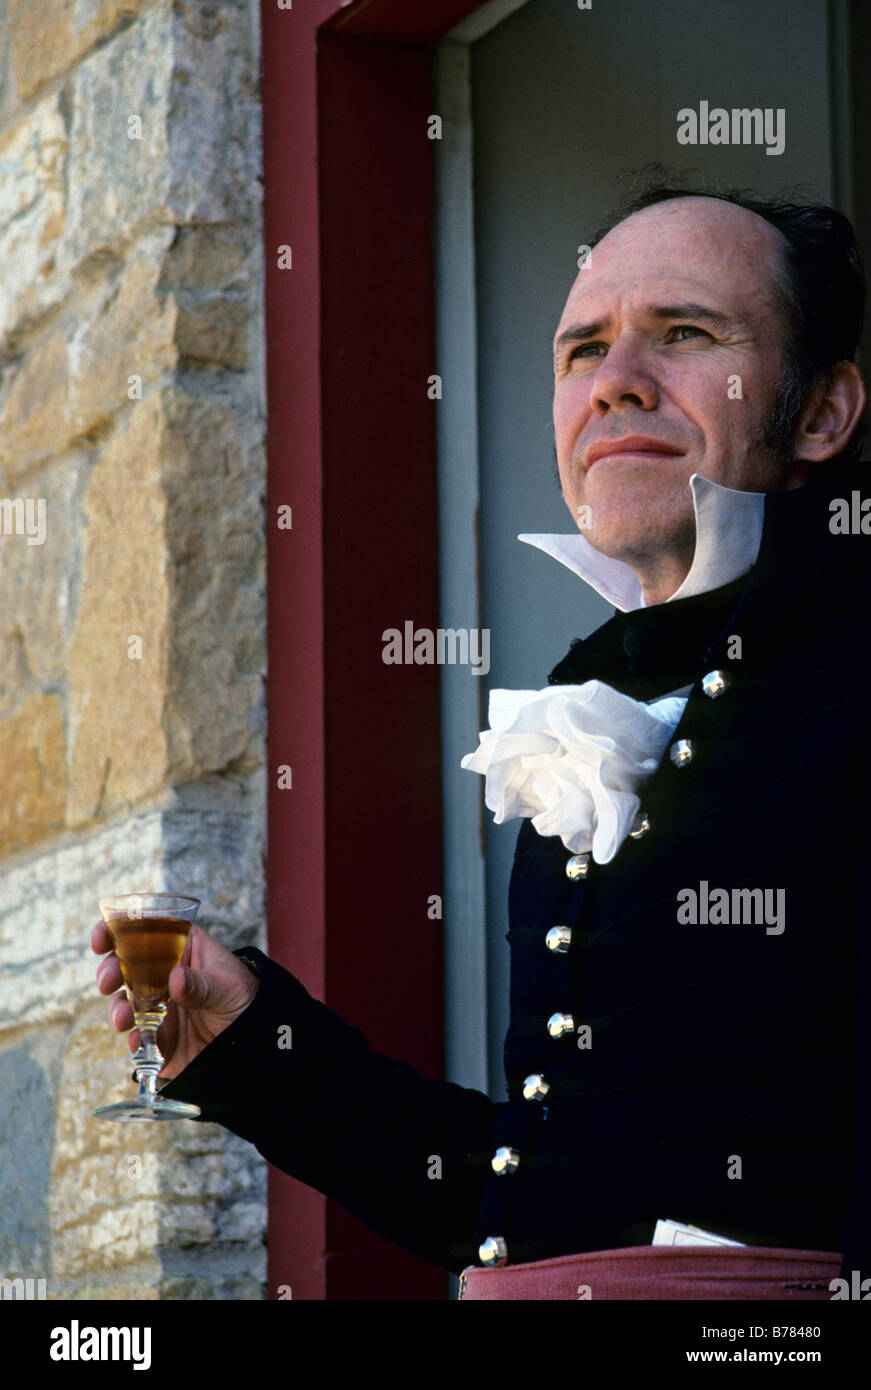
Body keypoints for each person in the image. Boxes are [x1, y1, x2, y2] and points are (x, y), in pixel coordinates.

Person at [92, 182, 871, 1300]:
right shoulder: (586, 702)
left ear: (821, 413)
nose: (614, 383)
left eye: (686, 333)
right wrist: (252, 1038)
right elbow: (522, 1201)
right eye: (582, 350)